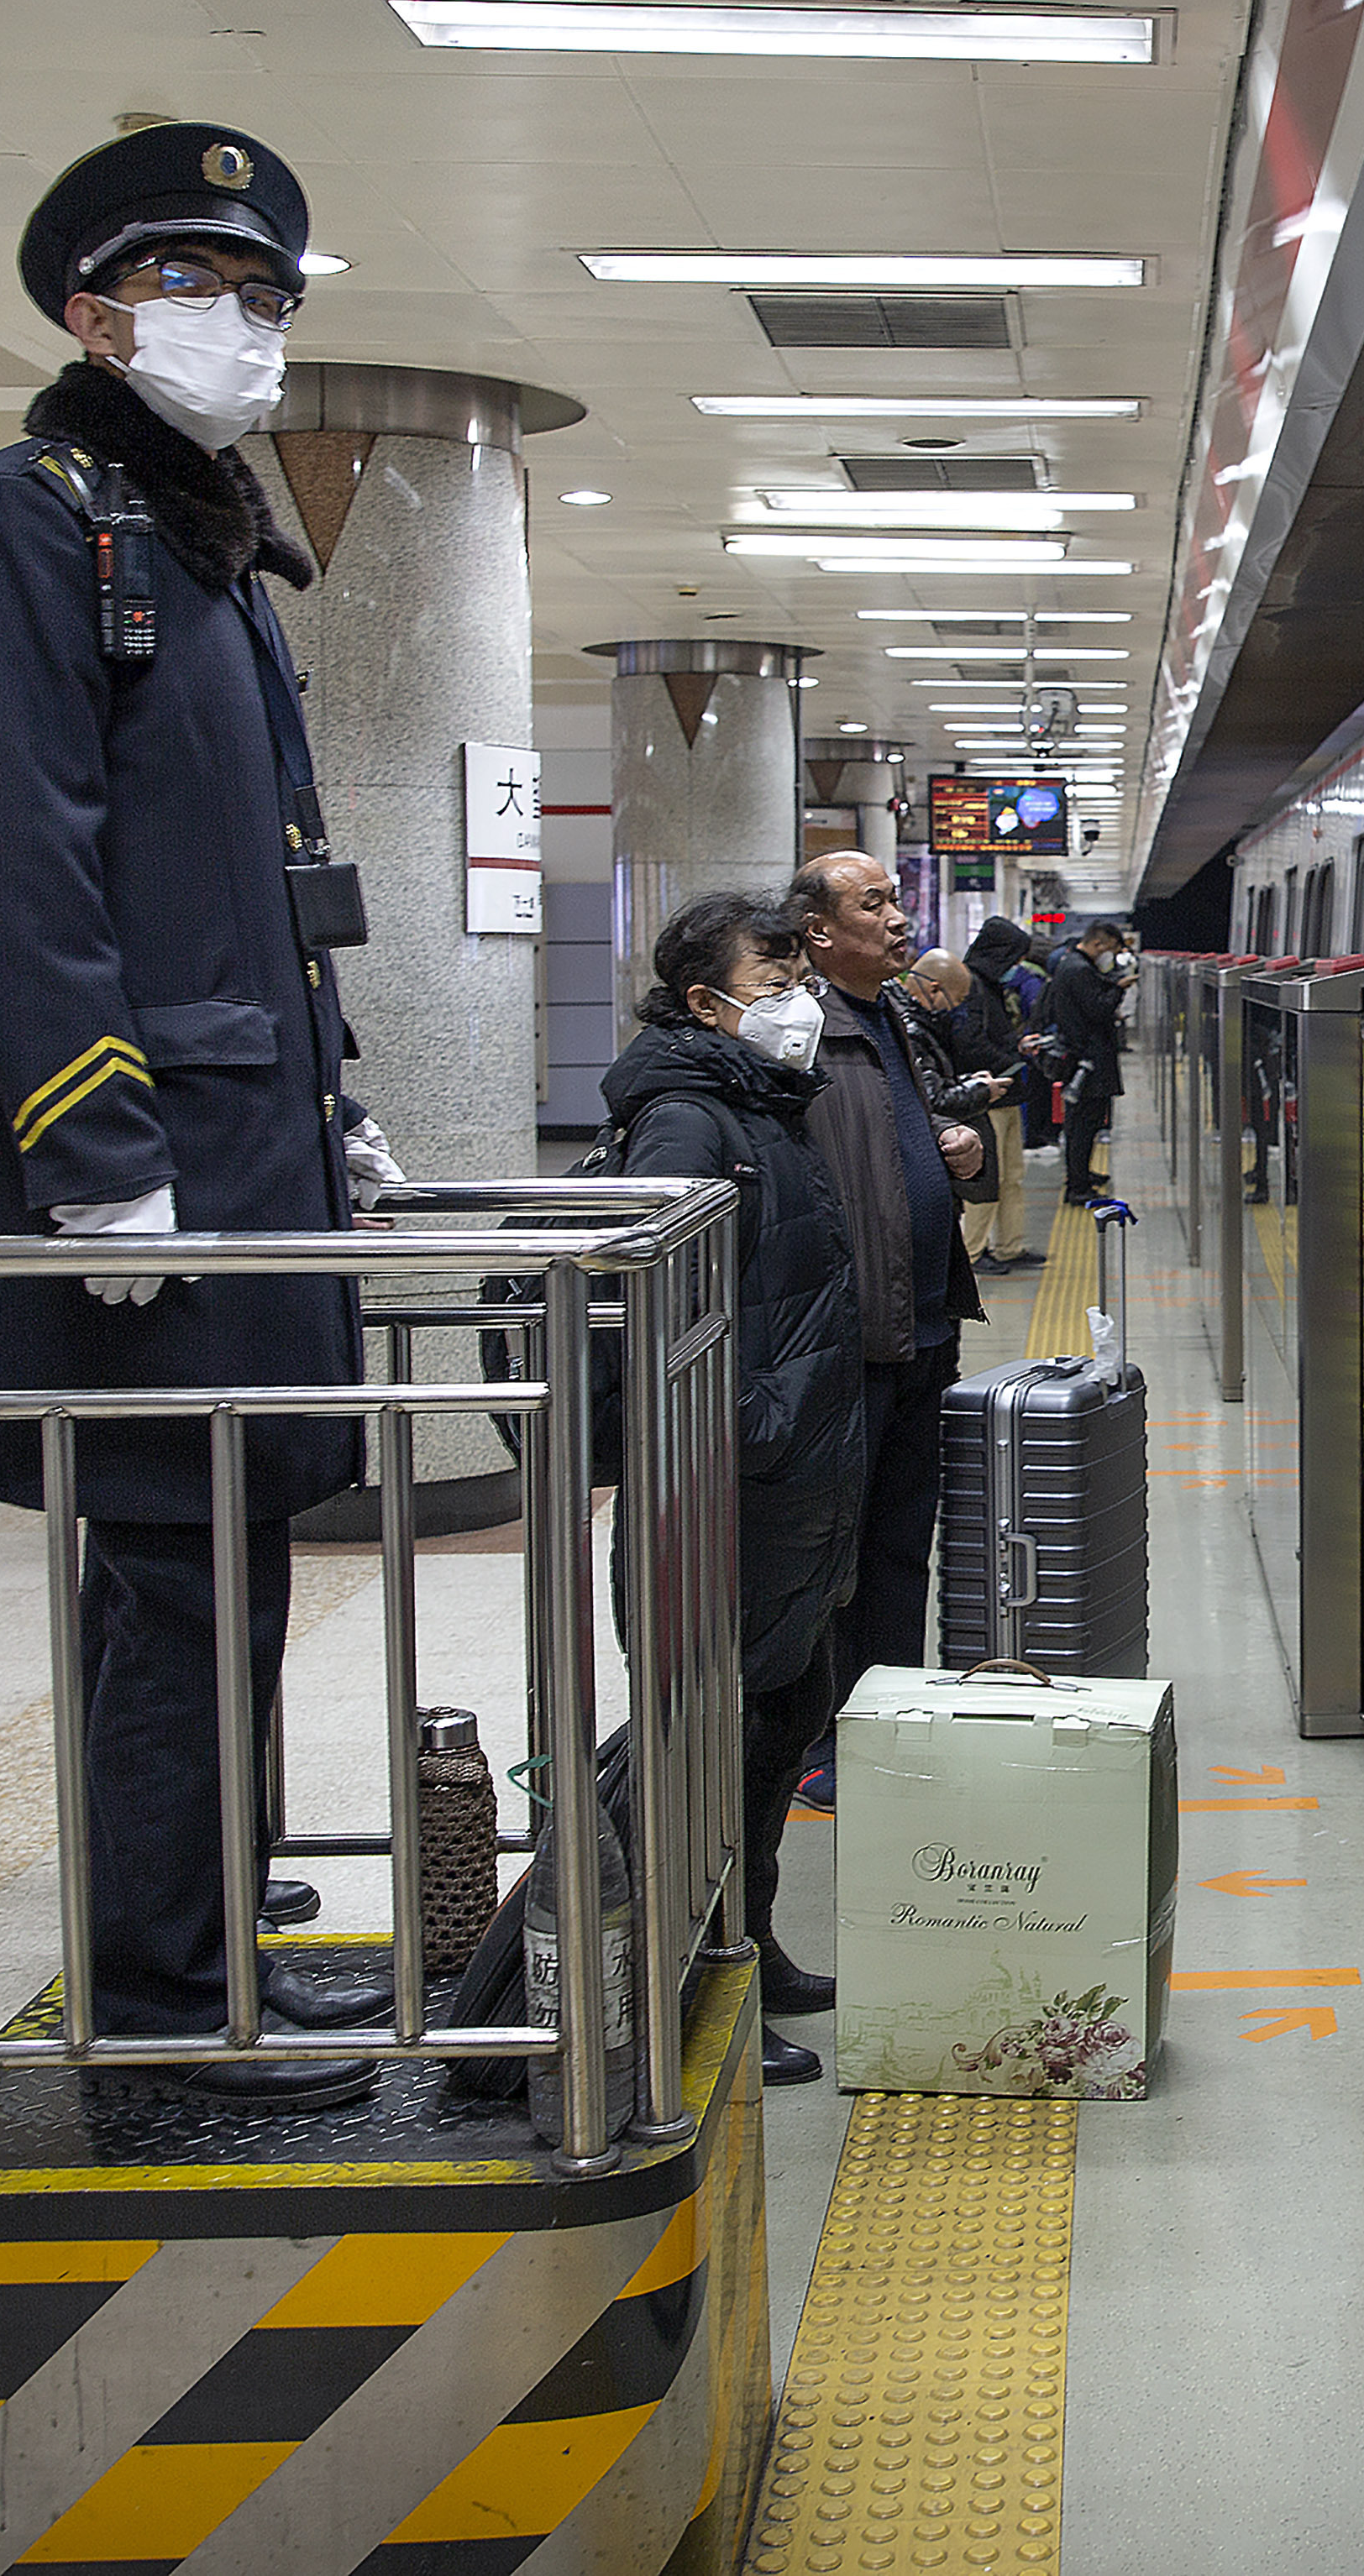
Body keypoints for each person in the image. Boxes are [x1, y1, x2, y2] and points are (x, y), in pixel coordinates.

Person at [0, 121, 407, 2105]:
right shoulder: (23, 521)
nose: (244, 327)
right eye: (201, 290)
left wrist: (333, 1093)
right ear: (91, 312)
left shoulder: (198, 552)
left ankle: (225, 1931)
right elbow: (21, 862)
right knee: (169, 1575)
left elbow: (266, 872)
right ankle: (165, 2003)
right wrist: (98, 1163)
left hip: (250, 1154)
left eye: (268, 294)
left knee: (244, 1539)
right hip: (148, 1177)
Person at [596, 892, 863, 2089]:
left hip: (781, 1478)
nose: (798, 995)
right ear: (704, 999)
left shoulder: (758, 1102)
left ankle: (748, 1944)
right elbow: (653, 1304)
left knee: (779, 1715)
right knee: (711, 1742)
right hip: (723, 1491)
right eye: (776, 971)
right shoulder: (685, 1120)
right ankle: (689, 1990)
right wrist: (757, 1425)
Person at [786, 854, 986, 1773]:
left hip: (922, 1326)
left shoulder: (896, 1015)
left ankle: (891, 1719)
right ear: (820, 931)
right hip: (849, 1339)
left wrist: (959, 1147)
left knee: (906, 1538)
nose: (899, 919)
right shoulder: (797, 1031)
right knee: (839, 1553)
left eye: (895, 900)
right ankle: (824, 1740)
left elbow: (911, 1127)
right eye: (875, 904)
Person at [922, 920, 1042, 1273]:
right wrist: (1011, 1060)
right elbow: (969, 1044)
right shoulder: (971, 985)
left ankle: (1009, 1246)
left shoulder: (987, 985)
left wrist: (1015, 1051)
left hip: (1003, 1094)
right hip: (984, 1096)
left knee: (1011, 1177)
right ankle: (974, 1252)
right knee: (986, 1180)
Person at [1041, 919, 1131, 1204]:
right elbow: (1098, 1009)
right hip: (1087, 1062)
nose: (1112, 957)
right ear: (1099, 944)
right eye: (1112, 950)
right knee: (1081, 1127)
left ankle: (1082, 1175)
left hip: (1084, 1058)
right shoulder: (1079, 969)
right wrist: (1119, 988)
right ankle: (1077, 1187)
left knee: (1085, 1125)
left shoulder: (1073, 965)